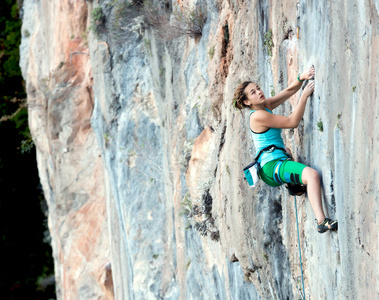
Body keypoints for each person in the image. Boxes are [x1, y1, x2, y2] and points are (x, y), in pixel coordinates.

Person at [233, 66, 338, 233]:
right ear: (247, 102)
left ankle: (293, 183)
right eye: (253, 92)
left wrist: (301, 77)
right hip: (271, 167)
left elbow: (288, 91)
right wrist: (304, 96)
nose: (259, 92)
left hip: (277, 160)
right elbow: (291, 122)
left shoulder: (264, 106)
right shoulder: (258, 116)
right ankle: (321, 221)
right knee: (312, 175)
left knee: (287, 151)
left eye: (258, 88)